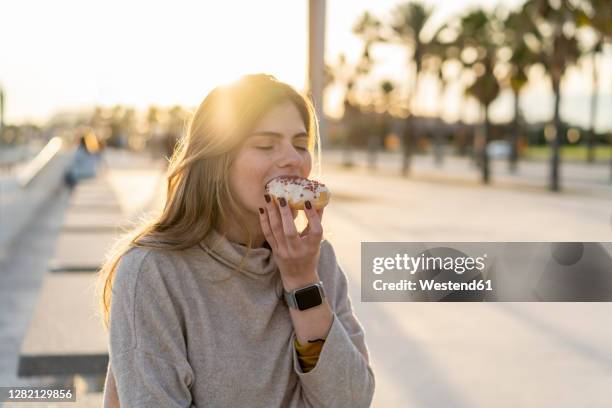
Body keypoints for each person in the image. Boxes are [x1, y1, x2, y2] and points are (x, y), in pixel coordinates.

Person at [97, 74, 375, 407]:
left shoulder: (315, 259)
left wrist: (302, 282)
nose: (293, 159)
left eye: (300, 145)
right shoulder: (153, 273)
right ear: (217, 159)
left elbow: (351, 401)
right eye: (265, 145)